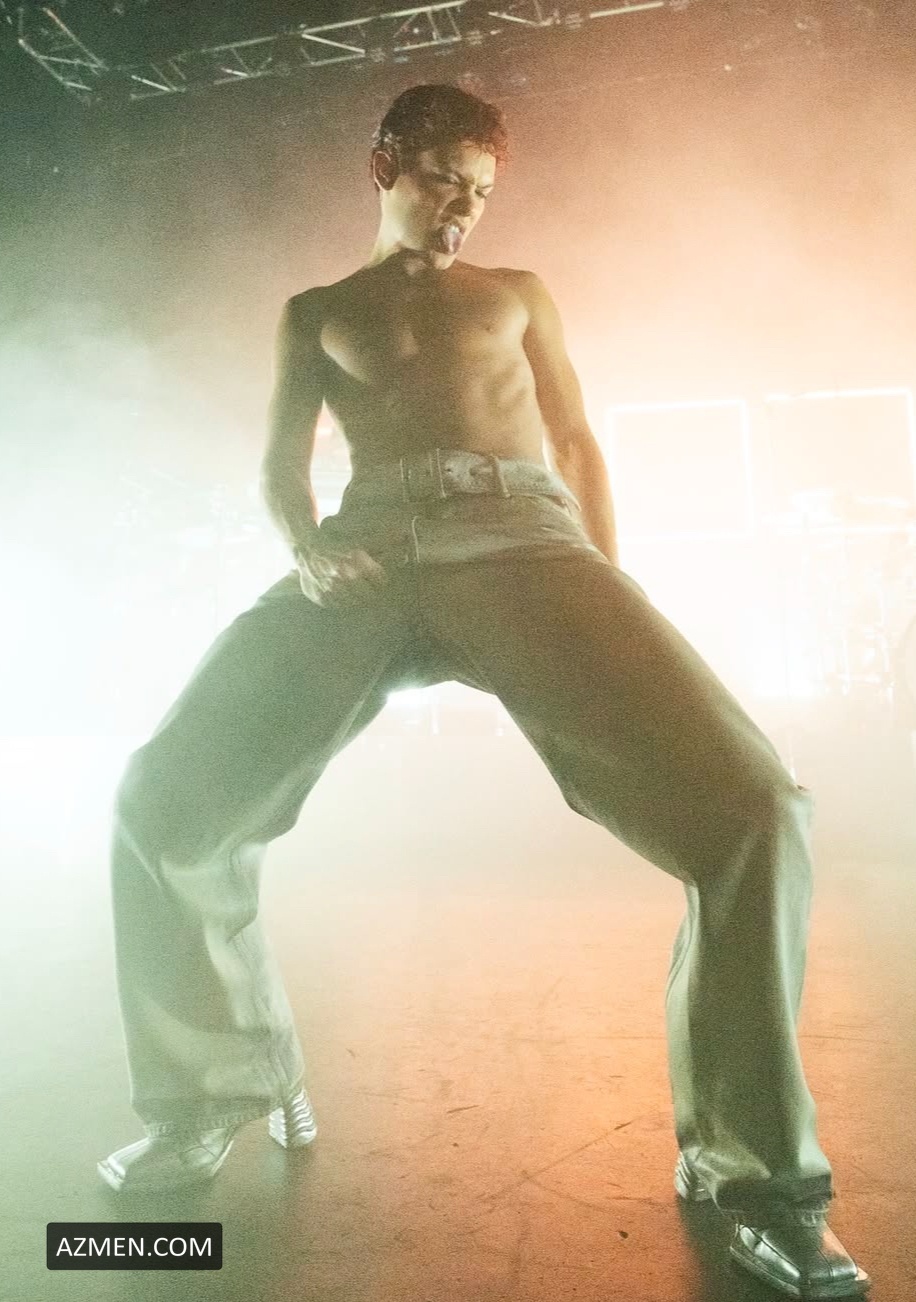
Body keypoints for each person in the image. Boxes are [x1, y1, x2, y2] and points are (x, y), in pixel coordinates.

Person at [97, 83, 869, 1298]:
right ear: (383, 165)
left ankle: (760, 1181)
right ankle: (219, 1091)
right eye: (443, 180)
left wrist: (604, 583)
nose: (461, 208)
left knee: (754, 806)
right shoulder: (316, 312)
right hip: (368, 551)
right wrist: (307, 546)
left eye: (481, 190)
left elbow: (576, 439)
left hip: (523, 538)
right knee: (163, 798)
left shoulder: (516, 294)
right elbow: (280, 468)